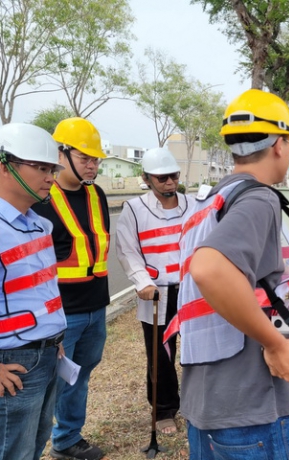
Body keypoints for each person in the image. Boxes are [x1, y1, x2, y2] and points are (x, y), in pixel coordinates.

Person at [165, 89, 289, 460]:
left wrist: (279, 281)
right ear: (281, 145)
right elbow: (211, 270)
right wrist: (277, 343)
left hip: (207, 403)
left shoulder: (209, 202)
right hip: (250, 407)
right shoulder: (259, 198)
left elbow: (226, 275)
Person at [0, 123, 68, 460]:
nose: (50, 177)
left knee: (31, 447)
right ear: (3, 165)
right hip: (10, 364)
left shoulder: (36, 224)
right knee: (10, 452)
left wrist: (52, 338)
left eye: (52, 169)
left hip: (43, 356)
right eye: (41, 168)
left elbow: (38, 290)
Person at [30, 117, 110, 460]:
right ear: (61, 155)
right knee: (51, 384)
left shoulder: (97, 194)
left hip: (96, 305)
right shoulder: (42, 200)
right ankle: (34, 446)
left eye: (95, 160)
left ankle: (67, 440)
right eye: (84, 158)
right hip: (62, 313)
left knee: (80, 377)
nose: (91, 165)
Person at [114, 147, 188, 434]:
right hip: (156, 293)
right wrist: (142, 281)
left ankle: (196, 402)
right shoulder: (134, 209)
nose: (169, 182)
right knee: (161, 354)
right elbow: (128, 251)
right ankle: (164, 410)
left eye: (173, 176)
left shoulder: (192, 205)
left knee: (198, 350)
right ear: (146, 178)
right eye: (162, 178)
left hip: (192, 290)